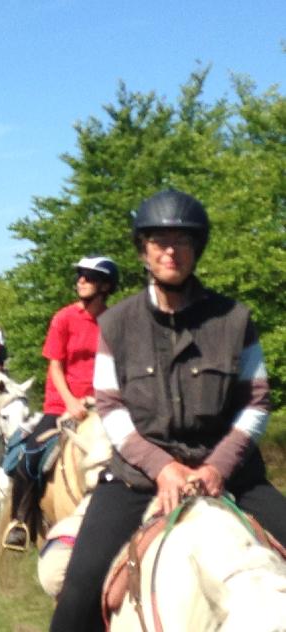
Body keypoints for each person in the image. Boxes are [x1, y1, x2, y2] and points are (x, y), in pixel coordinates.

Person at [50, 189, 286, 632]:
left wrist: (218, 466)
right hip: (137, 478)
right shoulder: (116, 323)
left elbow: (256, 402)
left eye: (182, 240)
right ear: (143, 250)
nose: (171, 251)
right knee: (78, 592)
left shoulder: (235, 319)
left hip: (233, 474)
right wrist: (161, 467)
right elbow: (110, 405)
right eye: (159, 241)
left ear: (197, 249)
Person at [3, 255, 119, 549]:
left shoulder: (115, 322)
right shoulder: (64, 318)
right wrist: (70, 402)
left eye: (88, 276)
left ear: (105, 285)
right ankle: (20, 522)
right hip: (62, 405)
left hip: (103, 406)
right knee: (29, 456)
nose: (80, 280)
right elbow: (55, 366)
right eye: (80, 274)